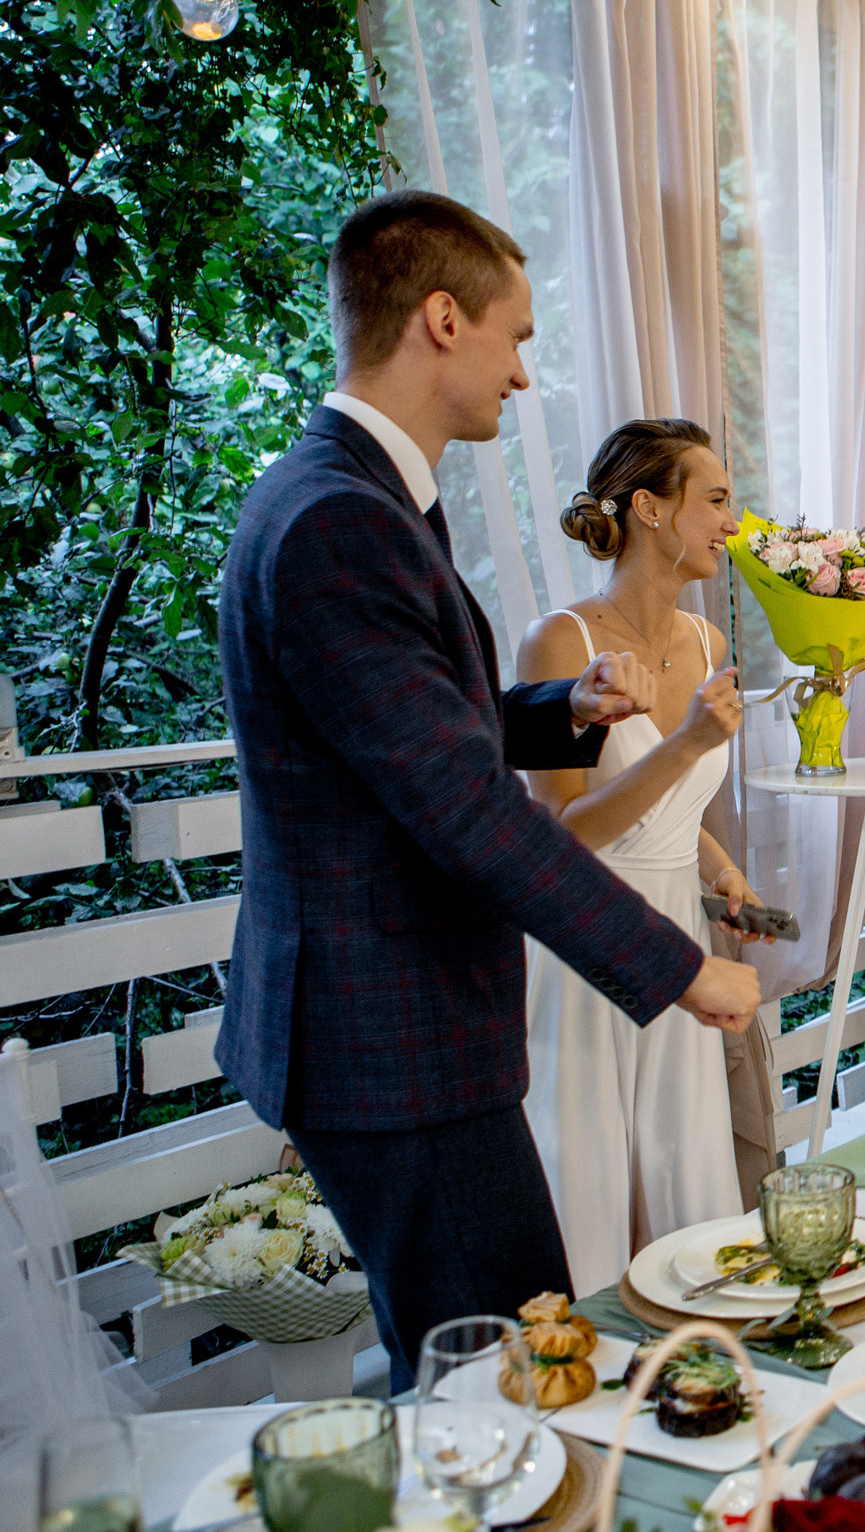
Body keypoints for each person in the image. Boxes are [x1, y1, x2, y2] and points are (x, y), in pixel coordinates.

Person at [216, 192, 759, 1389]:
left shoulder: (354, 498)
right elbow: (462, 811)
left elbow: (399, 733)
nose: (524, 375)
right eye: (516, 339)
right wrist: (679, 968)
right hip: (389, 1029)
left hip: (395, 1024)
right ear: (443, 320)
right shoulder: (339, 521)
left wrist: (556, 711)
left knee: (505, 1358)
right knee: (506, 1379)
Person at [517, 419, 778, 1294]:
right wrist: (689, 739)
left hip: (678, 933)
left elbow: (671, 807)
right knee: (585, 1164)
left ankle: (689, 1357)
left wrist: (716, 870)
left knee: (680, 1156)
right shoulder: (561, 644)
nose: (730, 523)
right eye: (714, 500)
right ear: (648, 509)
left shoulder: (707, 643)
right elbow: (558, 836)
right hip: (584, 937)